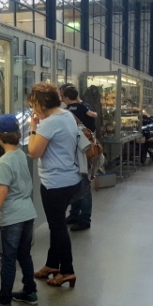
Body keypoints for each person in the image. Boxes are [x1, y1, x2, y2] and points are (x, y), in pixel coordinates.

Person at [0, 114, 38, 306]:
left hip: (13, 216)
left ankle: (4, 300)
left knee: (8, 259)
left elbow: (3, 191)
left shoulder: (4, 162)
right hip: (28, 211)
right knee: (24, 254)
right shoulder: (21, 154)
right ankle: (30, 291)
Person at [28, 82, 80, 287]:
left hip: (55, 183)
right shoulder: (66, 115)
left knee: (58, 228)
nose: (33, 110)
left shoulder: (48, 124)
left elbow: (34, 152)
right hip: (70, 179)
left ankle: (67, 270)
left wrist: (33, 129)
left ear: (41, 103)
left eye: (34, 105)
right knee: (56, 225)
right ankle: (52, 264)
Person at [61, 85, 97, 232]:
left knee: (84, 186)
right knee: (78, 185)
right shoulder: (84, 107)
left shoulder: (66, 112)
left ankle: (84, 218)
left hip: (82, 151)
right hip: (84, 149)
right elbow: (93, 116)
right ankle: (75, 215)